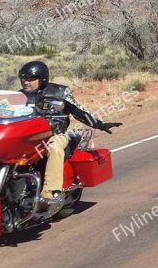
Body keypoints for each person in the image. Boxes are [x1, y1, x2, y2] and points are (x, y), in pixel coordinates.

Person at [18, 61, 122, 208]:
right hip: (28, 138)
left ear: (42, 79)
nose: (25, 82)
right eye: (23, 78)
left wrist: (100, 125)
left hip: (55, 135)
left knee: (53, 147)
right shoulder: (18, 97)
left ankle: (50, 193)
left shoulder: (59, 92)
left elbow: (79, 112)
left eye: (30, 79)